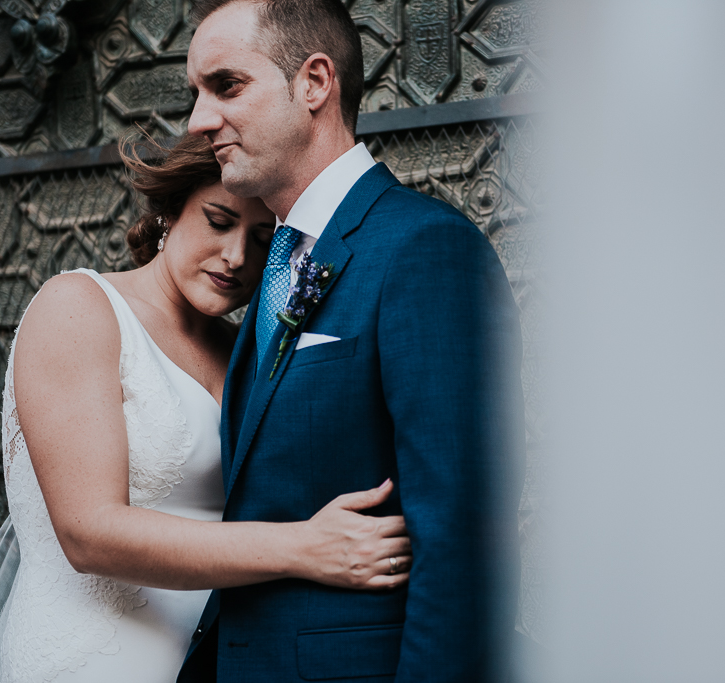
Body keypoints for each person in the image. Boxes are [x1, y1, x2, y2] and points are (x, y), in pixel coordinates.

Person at [0, 134, 412, 683]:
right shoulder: (78, 308)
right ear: (167, 214)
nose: (238, 257)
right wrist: (305, 547)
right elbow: (89, 532)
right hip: (91, 662)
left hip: (214, 663)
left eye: (262, 240)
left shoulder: (245, 351)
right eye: (217, 220)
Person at [180, 0, 526, 681]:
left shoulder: (423, 250)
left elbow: (462, 540)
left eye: (226, 86)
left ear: (314, 83)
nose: (198, 121)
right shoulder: (276, 261)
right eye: (195, 94)